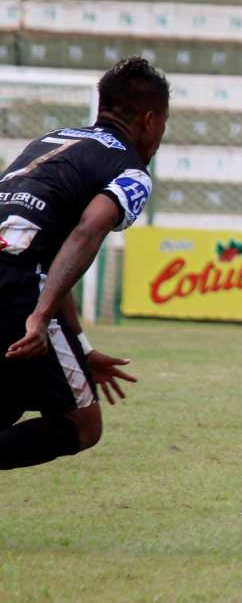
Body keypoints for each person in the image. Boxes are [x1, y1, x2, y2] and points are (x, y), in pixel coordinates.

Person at [0, 57, 168, 469]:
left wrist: (79, 344)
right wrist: (39, 317)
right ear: (149, 120)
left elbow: (54, 252)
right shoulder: (130, 170)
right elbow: (87, 232)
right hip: (17, 283)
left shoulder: (50, 141)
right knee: (83, 424)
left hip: (17, 268)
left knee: (12, 396)